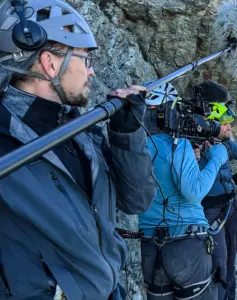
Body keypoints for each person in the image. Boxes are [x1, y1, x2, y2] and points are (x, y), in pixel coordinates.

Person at [0, 1, 156, 299]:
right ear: (50, 63)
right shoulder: (5, 141)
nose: (92, 71)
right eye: (85, 58)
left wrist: (127, 135)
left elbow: (136, 200)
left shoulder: (84, 135)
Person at [138, 81, 229, 300]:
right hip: (186, 244)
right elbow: (194, 191)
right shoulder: (177, 145)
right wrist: (216, 160)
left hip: (150, 244)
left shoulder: (135, 146)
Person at [197, 96, 237, 300]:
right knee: (218, 263)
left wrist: (234, 180)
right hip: (211, 211)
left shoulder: (226, 145)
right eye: (225, 124)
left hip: (229, 207)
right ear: (212, 124)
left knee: (228, 263)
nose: (229, 128)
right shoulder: (196, 147)